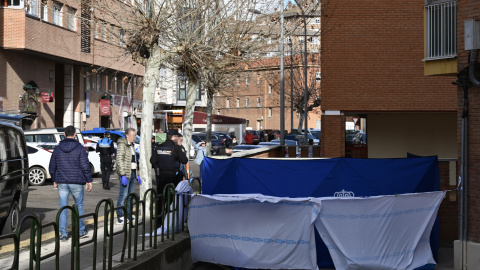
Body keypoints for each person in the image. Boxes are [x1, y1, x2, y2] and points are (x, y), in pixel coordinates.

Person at [49, 125, 93, 242]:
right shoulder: (79, 148)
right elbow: (85, 165)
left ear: (64, 134)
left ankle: (63, 234)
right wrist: (89, 180)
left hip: (62, 181)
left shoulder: (58, 148)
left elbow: (52, 165)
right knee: (79, 206)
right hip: (77, 182)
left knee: (63, 207)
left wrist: (54, 179)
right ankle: (80, 231)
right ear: (74, 134)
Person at [150, 129, 188, 217]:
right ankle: (169, 220)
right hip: (172, 177)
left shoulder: (158, 147)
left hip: (161, 177)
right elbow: (184, 160)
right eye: (177, 136)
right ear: (174, 137)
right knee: (171, 199)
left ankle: (158, 221)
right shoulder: (176, 148)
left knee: (160, 198)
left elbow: (152, 160)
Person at [115, 128, 142, 224]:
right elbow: (120, 160)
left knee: (130, 195)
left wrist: (137, 174)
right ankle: (120, 215)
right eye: (133, 135)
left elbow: (134, 161)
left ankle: (128, 214)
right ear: (127, 135)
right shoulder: (122, 145)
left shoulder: (132, 145)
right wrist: (122, 174)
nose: (135, 137)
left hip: (132, 173)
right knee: (123, 195)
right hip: (126, 174)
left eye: (135, 135)